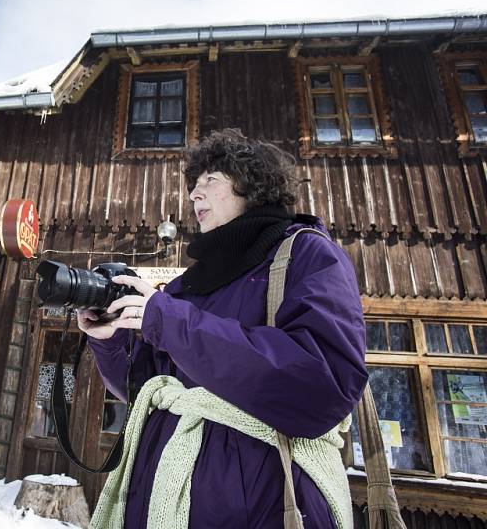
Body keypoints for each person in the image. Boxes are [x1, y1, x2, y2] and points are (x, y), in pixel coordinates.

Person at [80, 129, 368, 529]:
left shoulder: (306, 254)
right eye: (193, 187)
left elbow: (323, 383)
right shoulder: (189, 283)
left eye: (210, 181)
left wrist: (173, 323)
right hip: (159, 498)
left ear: (252, 186)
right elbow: (151, 388)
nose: (194, 195)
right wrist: (110, 341)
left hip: (264, 505)